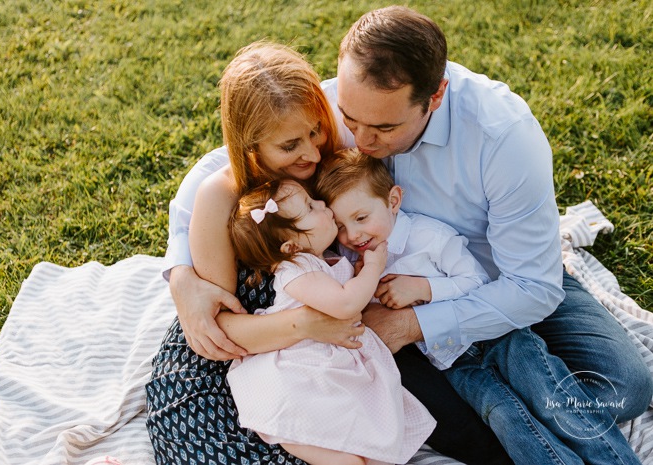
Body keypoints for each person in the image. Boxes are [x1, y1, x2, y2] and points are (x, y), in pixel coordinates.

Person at [320, 5, 652, 462]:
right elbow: (224, 165)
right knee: (470, 422)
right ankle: (508, 417)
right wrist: (184, 274)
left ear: (435, 96)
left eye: (384, 128)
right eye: (351, 120)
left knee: (625, 388)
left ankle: (514, 415)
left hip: (502, 276)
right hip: (391, 291)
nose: (361, 141)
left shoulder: (503, 135)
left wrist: (410, 325)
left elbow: (532, 286)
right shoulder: (349, 100)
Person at [316, 148, 642, 465]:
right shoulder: (355, 260)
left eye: (361, 218)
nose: (353, 234)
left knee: (553, 399)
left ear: (393, 201)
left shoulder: (428, 236)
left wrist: (425, 288)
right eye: (341, 227)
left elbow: (476, 282)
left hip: (499, 336)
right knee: (508, 420)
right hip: (453, 361)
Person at [145, 42, 367, 465]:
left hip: (301, 366)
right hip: (222, 372)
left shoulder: (330, 165)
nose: (312, 152)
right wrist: (306, 324)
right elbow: (221, 328)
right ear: (251, 147)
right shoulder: (221, 198)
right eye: (289, 146)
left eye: (315, 130)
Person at [225, 178, 435, 465]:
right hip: (303, 368)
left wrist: (360, 275)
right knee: (335, 443)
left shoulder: (323, 261)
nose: (324, 206)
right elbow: (346, 303)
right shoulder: (295, 268)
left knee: (374, 437)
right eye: (311, 207)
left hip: (335, 364)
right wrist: (373, 268)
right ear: (291, 246)